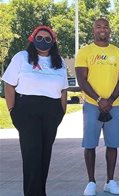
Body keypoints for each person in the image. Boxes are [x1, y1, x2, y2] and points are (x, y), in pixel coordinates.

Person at [3, 25, 67, 196]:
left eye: (48, 39)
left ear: (53, 42)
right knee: (32, 156)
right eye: (40, 37)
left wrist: (61, 112)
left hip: (51, 111)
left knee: (45, 156)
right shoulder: (22, 57)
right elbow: (9, 85)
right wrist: (12, 111)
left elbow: (63, 90)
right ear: (33, 39)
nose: (43, 41)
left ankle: (41, 192)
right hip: (26, 112)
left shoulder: (59, 62)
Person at [75, 18, 119, 196]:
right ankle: (91, 182)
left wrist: (110, 99)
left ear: (110, 30)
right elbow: (82, 80)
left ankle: (110, 181)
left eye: (105, 26)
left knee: (112, 144)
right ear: (93, 30)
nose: (102, 29)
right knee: (90, 144)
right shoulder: (84, 51)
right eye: (98, 26)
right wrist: (98, 99)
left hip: (113, 106)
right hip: (92, 105)